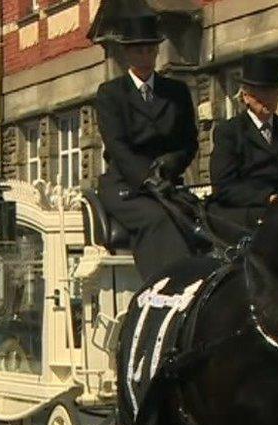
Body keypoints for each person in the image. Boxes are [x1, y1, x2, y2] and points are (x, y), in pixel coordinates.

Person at [96, 15, 199, 279]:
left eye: (149, 50)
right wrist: (146, 178)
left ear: (156, 51)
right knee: (157, 219)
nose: (145, 56)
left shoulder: (176, 92)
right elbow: (117, 146)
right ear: (127, 53)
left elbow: (189, 141)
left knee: (198, 219)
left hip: (167, 183)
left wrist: (171, 163)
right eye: (138, 50)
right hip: (126, 185)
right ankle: (169, 284)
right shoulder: (111, 93)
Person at [208, 55, 278, 243]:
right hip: (246, 211)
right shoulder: (229, 132)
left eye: (272, 93)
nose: (267, 100)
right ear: (246, 96)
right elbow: (223, 187)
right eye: (260, 94)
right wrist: (267, 198)